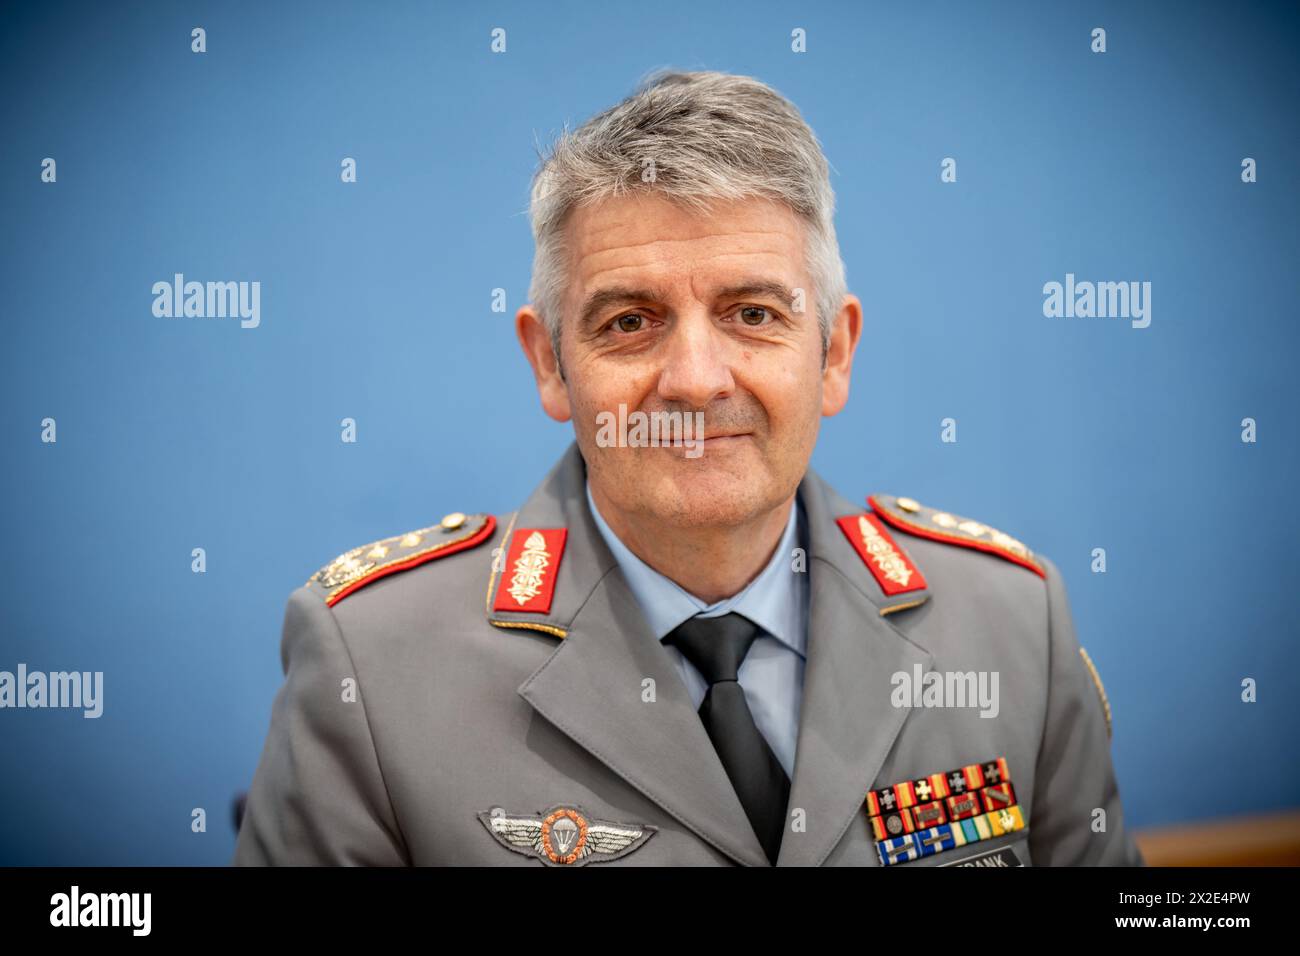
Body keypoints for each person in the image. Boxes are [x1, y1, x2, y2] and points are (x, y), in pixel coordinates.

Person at [234, 70, 1143, 867]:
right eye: (629, 321)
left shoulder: (1013, 627)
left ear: (834, 356)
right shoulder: (374, 670)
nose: (697, 382)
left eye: (752, 314)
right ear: (550, 364)